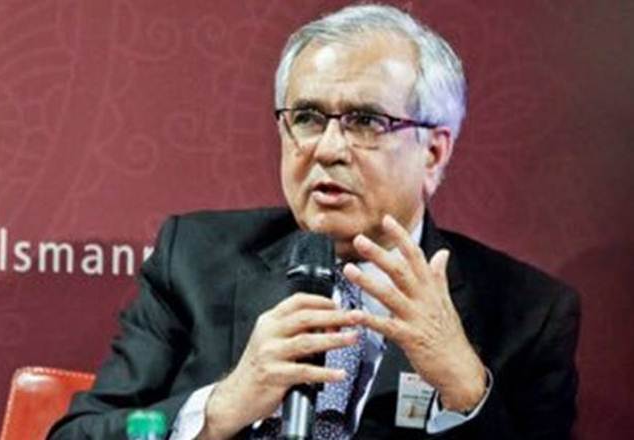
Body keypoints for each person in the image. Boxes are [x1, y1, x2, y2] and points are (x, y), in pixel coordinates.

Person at [48, 4, 579, 439]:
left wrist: (465, 389)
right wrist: (221, 407)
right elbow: (79, 435)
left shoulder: (527, 314)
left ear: (434, 153)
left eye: (366, 121)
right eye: (306, 117)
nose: (327, 149)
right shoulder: (192, 259)